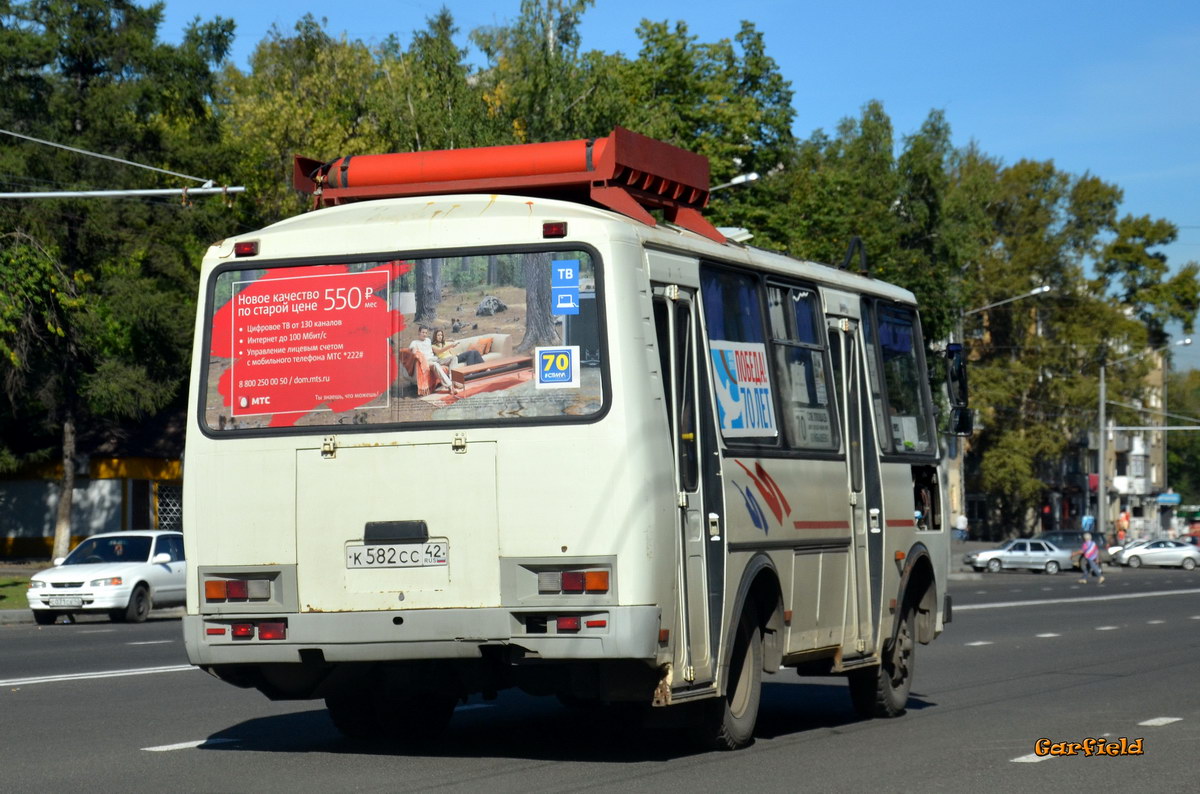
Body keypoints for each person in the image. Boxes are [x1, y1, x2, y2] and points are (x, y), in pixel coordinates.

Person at [408, 326, 453, 391]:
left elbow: (436, 340)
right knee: (435, 365)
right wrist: (415, 352)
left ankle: (453, 378)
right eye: (423, 332)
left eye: (426, 333)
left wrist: (448, 340)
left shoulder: (428, 340)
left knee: (452, 358)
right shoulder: (415, 342)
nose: (424, 334)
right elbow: (412, 351)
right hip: (427, 362)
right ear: (419, 333)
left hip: (436, 359)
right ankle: (450, 386)